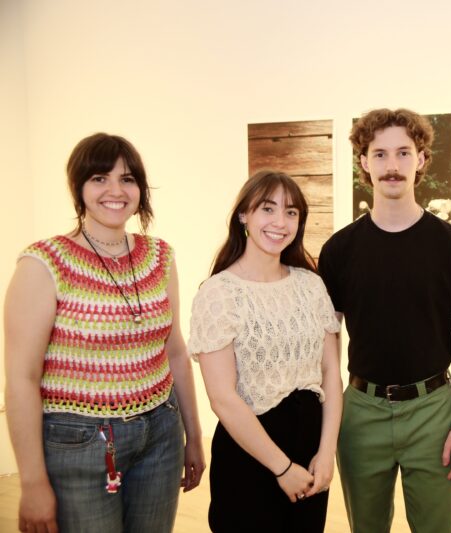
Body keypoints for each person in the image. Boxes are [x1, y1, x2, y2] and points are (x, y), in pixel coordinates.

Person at [3, 133, 205, 533]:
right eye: (99, 178)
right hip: (79, 444)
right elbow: (21, 380)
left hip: (161, 432)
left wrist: (195, 437)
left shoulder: (159, 256)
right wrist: (32, 482)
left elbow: (175, 352)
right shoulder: (44, 263)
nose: (115, 190)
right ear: (78, 187)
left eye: (127, 179)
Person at [318, 108, 451, 533]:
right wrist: (329, 417)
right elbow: (328, 342)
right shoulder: (339, 251)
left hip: (433, 411)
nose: (392, 166)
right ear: (363, 162)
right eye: (379, 154)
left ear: (422, 159)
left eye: (403, 153)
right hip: (361, 411)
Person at [187, 170, 341, 533]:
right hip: (251, 454)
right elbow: (222, 397)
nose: (280, 222)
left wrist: (327, 451)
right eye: (267, 209)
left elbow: (331, 374)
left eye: (291, 212)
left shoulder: (311, 284)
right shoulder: (219, 292)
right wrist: (282, 468)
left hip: (310, 449)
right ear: (244, 215)